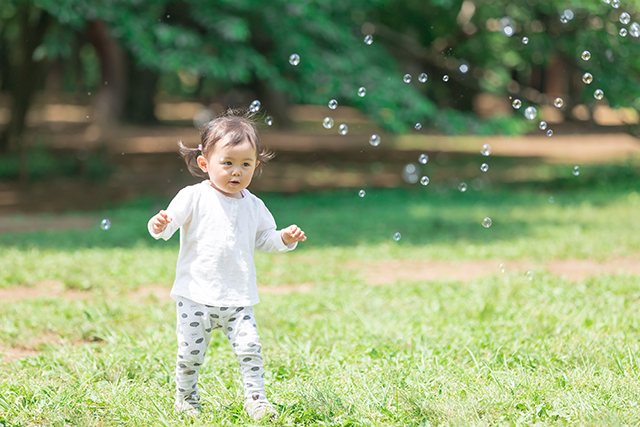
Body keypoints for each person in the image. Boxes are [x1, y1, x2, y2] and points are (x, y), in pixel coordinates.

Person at [147, 110, 306, 421]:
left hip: (239, 297)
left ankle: (257, 401)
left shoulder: (255, 205)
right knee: (190, 354)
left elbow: (265, 239)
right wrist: (159, 223)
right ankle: (186, 397)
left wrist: (285, 238)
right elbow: (166, 227)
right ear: (205, 163)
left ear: (256, 166)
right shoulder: (193, 197)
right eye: (228, 163)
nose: (237, 172)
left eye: (246, 164)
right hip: (195, 295)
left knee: (251, 349)